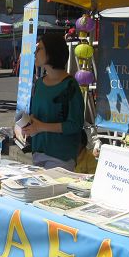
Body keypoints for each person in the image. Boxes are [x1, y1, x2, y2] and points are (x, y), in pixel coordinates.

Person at [22, 33, 84, 170]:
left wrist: (41, 127)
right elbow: (36, 115)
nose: (35, 52)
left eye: (39, 49)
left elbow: (75, 124)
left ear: (52, 51)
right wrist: (27, 124)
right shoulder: (39, 83)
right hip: (38, 153)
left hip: (61, 157)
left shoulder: (70, 85)